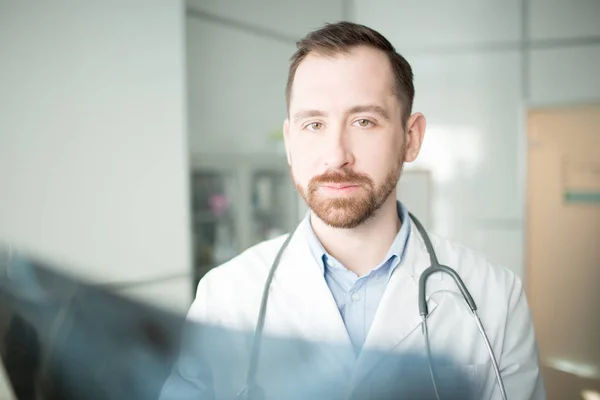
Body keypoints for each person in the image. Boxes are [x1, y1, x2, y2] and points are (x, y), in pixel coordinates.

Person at [160, 21, 545, 400]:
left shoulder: (494, 296)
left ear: (410, 138)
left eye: (364, 121)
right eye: (313, 124)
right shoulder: (225, 297)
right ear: (291, 142)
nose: (336, 156)